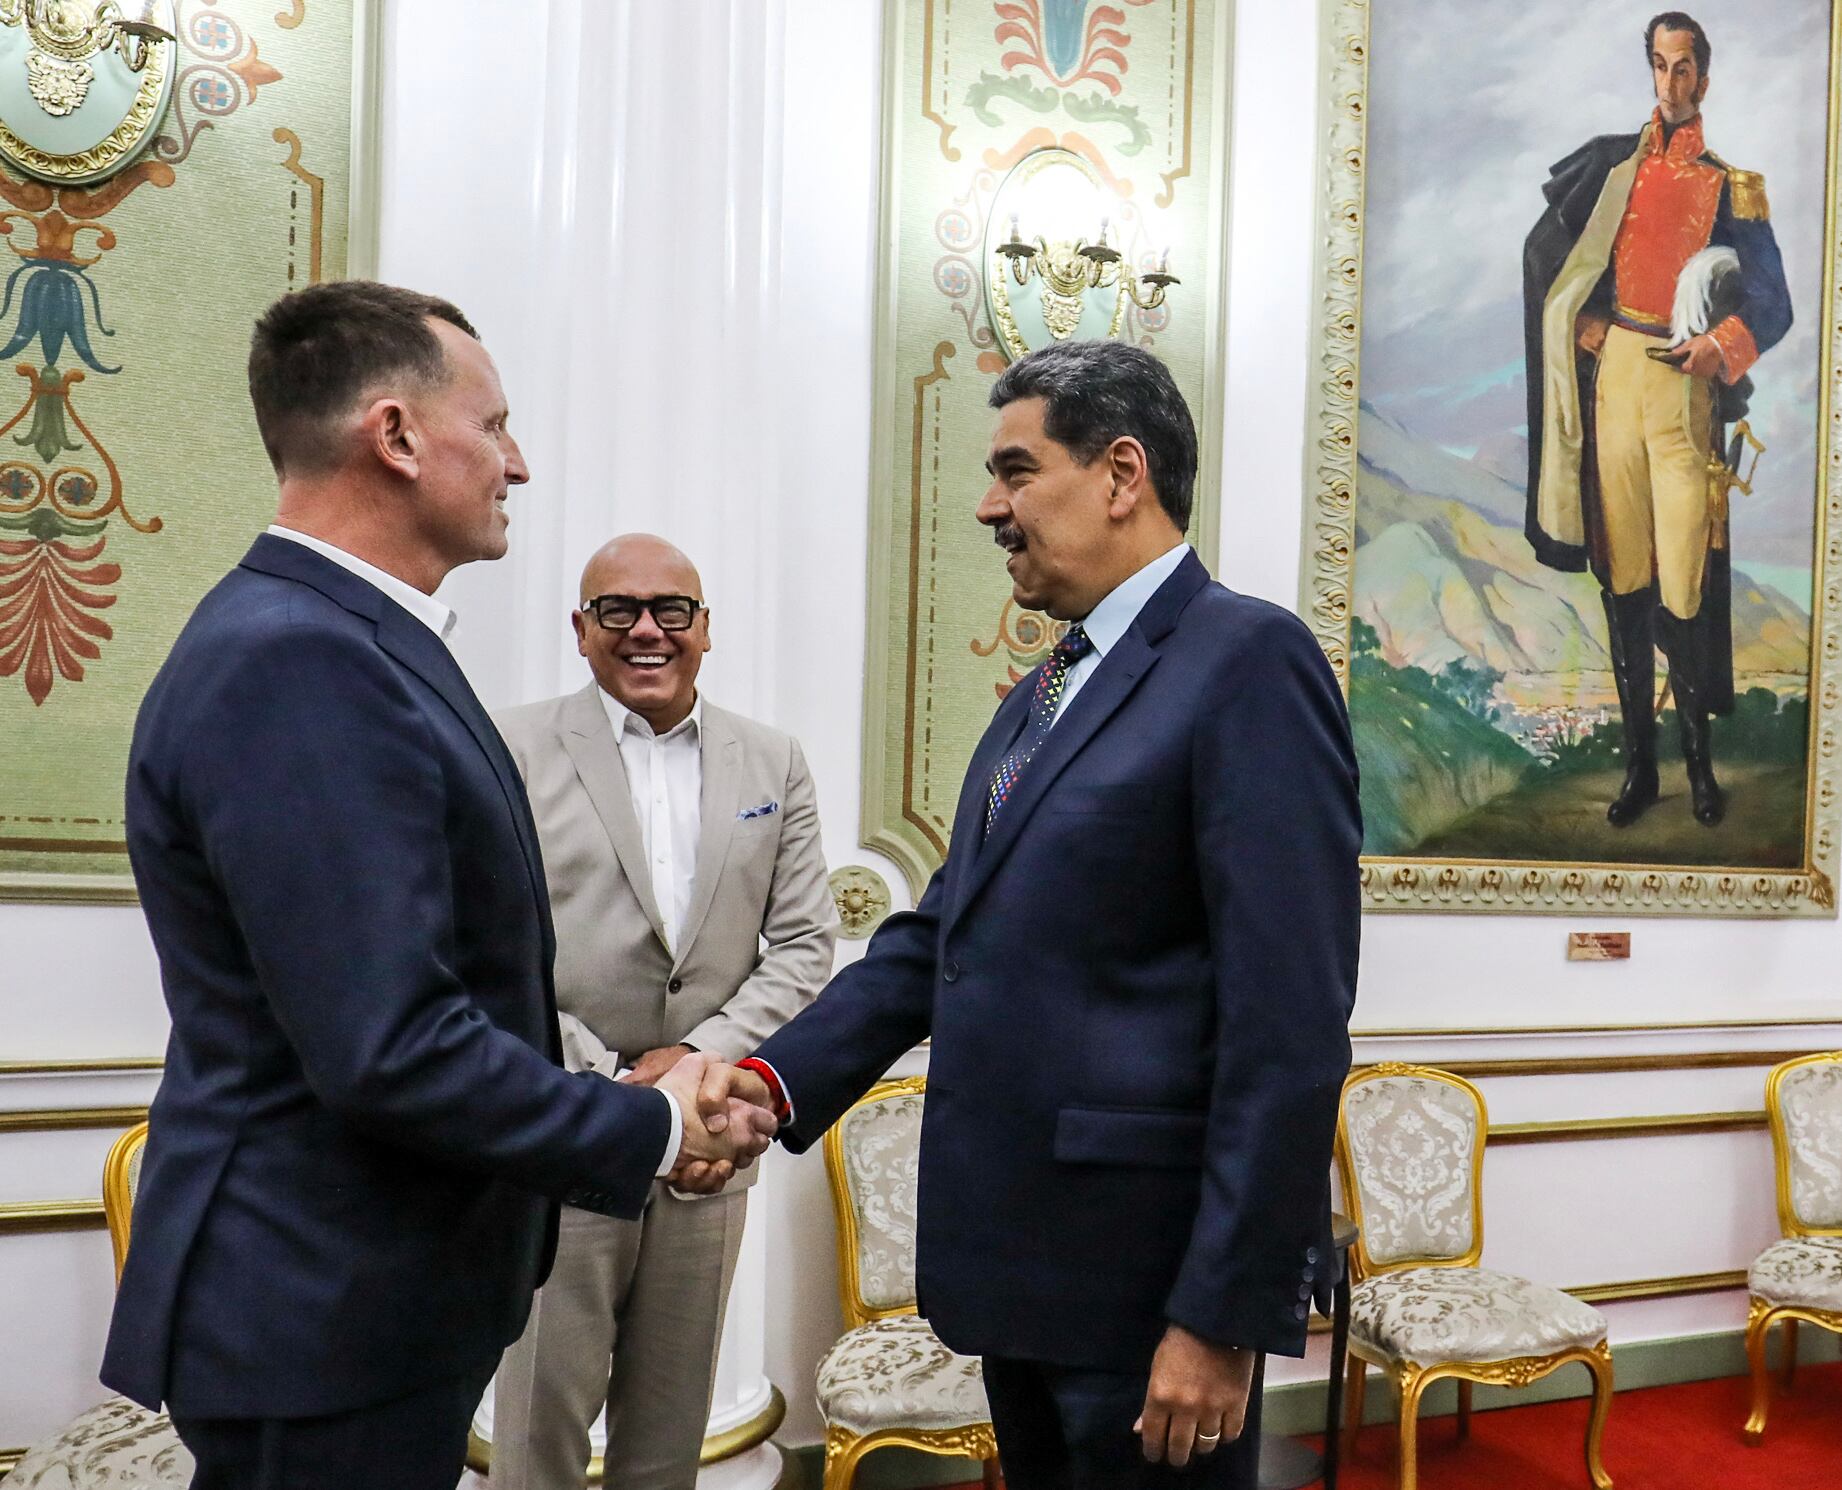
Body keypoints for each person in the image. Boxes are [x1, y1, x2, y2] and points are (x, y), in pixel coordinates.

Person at [102, 280, 773, 1490]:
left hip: (362, 1298)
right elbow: (391, 1044)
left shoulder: (343, 639)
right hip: (321, 1309)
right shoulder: (301, 658)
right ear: (398, 434)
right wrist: (653, 1121)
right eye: (495, 423)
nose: (517, 462)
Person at [741, 339, 1361, 1490]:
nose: (991, 506)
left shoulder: (1248, 660)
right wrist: (769, 1082)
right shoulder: (1040, 695)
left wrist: (1220, 1314)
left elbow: (1290, 1025)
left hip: (1149, 1296)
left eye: (1016, 470)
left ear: (1121, 473)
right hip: (1022, 1275)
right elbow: (940, 939)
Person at [489, 533, 838, 1489]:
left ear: (705, 627)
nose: (647, 629)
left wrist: (693, 1066)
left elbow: (805, 943)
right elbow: (494, 953)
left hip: (710, 1148)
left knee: (668, 1440)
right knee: (538, 1440)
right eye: (619, 609)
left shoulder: (773, 761)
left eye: (671, 609)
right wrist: (615, 1086)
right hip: (564, 1129)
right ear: (581, 629)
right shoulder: (508, 748)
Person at [1524, 11, 1791, 829]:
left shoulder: (1732, 187)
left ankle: (1699, 771)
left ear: (1703, 80)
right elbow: (1552, 260)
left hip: (1684, 397)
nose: (1671, 83)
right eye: (1660, 66)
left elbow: (1774, 305)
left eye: (1684, 69)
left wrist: (1719, 347)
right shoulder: (1613, 169)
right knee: (1626, 586)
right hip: (1616, 386)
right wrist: (1583, 320)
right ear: (1651, 70)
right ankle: (1641, 772)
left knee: (1684, 588)